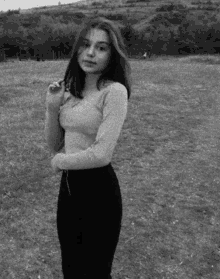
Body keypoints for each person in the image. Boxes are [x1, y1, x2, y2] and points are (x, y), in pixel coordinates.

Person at [44, 16, 132, 279]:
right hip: (69, 191)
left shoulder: (114, 92)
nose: (91, 53)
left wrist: (60, 162)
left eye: (102, 47)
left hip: (98, 192)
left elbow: (102, 155)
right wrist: (52, 106)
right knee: (71, 268)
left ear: (111, 55)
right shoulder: (72, 92)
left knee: (95, 271)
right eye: (85, 45)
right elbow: (54, 143)